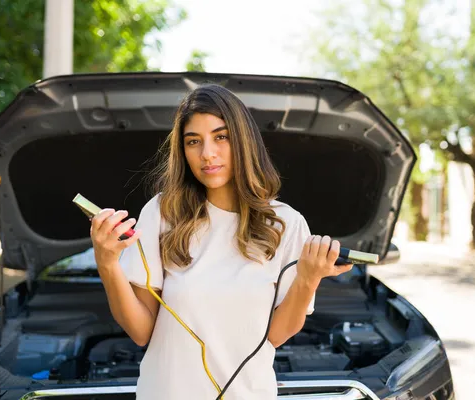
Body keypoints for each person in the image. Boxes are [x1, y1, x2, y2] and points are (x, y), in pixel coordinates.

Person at [89, 84, 353, 399]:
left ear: (243, 141)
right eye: (193, 142)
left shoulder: (286, 224)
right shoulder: (162, 213)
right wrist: (107, 264)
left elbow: (277, 335)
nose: (207, 154)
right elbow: (141, 332)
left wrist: (308, 280)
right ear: (182, 151)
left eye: (221, 137)